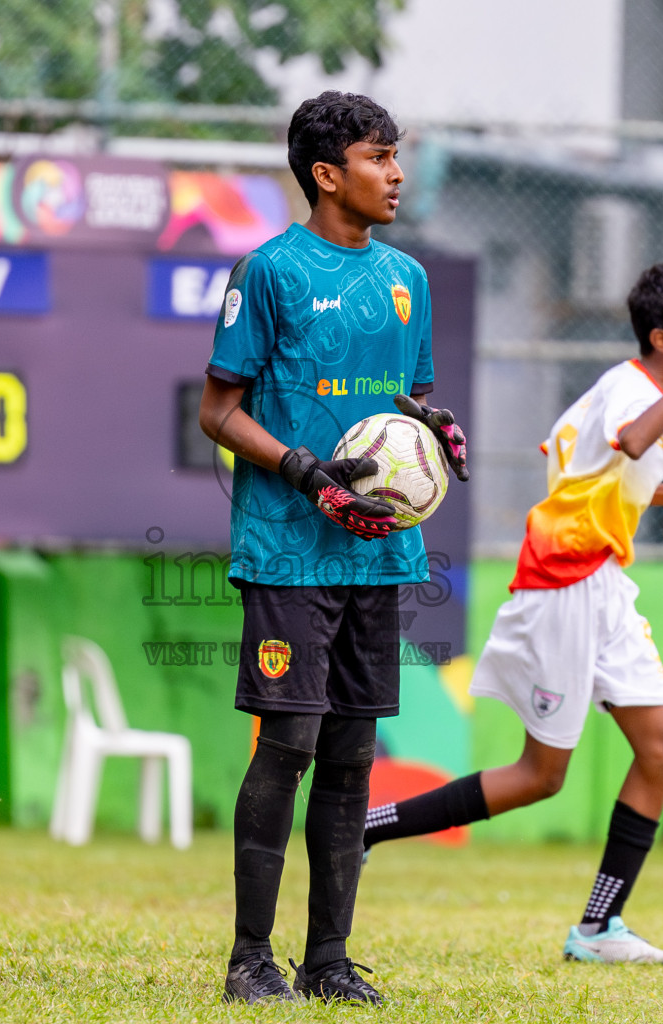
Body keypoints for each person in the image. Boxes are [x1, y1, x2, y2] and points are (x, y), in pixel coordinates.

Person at [362, 263, 663, 965]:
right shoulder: (635, 390)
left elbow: (588, 475)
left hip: (603, 583)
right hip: (560, 585)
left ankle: (599, 928)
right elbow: (629, 442)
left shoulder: (638, 391)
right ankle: (367, 827)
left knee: (661, 749)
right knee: (542, 775)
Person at [198, 90, 467, 1005]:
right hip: (288, 546)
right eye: (379, 156)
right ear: (327, 174)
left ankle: (328, 961)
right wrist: (309, 474)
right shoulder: (268, 271)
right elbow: (217, 411)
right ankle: (248, 961)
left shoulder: (407, 279)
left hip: (380, 550)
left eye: (397, 156)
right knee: (290, 742)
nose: (397, 173)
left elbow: (403, 406)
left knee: (354, 752)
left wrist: (435, 433)